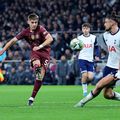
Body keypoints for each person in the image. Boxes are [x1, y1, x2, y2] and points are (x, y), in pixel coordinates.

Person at [0, 13, 53, 106]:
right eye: (32, 22)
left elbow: (50, 39)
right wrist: (4, 49)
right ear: (28, 22)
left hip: (45, 54)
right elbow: (13, 41)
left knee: (40, 78)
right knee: (37, 66)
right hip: (35, 53)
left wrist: (40, 46)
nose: (34, 24)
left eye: (36, 22)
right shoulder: (25, 32)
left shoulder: (41, 29)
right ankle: (35, 65)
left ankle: (32, 97)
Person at [74, 12, 120, 107]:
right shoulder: (105, 35)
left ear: (113, 23)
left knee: (99, 85)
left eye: (106, 22)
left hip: (117, 69)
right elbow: (110, 50)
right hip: (108, 67)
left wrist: (119, 71)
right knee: (107, 94)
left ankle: (81, 103)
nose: (104, 24)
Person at [77, 23, 100, 96]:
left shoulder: (93, 37)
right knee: (84, 75)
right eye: (84, 28)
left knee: (90, 77)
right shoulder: (79, 38)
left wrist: (96, 55)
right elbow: (75, 47)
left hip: (90, 60)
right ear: (82, 29)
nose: (85, 30)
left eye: (87, 28)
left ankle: (84, 82)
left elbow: (96, 47)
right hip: (82, 58)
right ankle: (84, 91)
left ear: (89, 29)